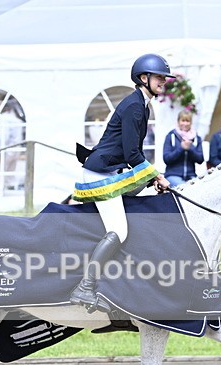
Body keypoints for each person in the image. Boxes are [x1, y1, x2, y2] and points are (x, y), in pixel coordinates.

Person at [69, 53, 172, 313]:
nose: (164, 82)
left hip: (111, 170)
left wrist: (149, 180)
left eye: (164, 78)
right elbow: (133, 154)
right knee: (120, 231)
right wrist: (156, 176)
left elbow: (133, 154)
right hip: (100, 174)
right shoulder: (135, 106)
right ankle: (86, 286)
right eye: (159, 77)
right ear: (143, 78)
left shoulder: (142, 104)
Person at [162, 109, 204, 187]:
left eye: (187, 121)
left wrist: (190, 148)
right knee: (184, 188)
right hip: (173, 175)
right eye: (183, 121)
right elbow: (166, 159)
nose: (185, 123)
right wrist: (181, 148)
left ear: (191, 123)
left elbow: (200, 159)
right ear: (178, 122)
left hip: (191, 175)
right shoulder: (171, 136)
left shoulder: (197, 138)